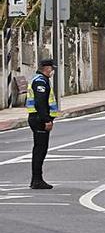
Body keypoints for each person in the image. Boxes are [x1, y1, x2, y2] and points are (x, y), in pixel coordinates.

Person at [26, 58, 58, 190]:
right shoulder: (40, 82)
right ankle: (37, 180)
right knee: (40, 150)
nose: (53, 71)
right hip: (39, 119)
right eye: (52, 68)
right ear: (47, 68)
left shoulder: (41, 80)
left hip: (37, 118)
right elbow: (40, 103)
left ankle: (36, 179)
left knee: (40, 149)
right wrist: (47, 120)